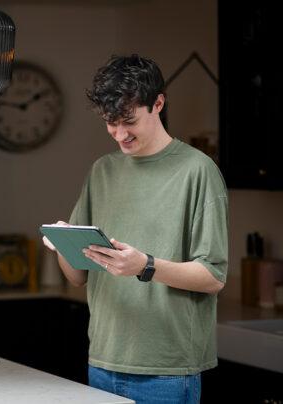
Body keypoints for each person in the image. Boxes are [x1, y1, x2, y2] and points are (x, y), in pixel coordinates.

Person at [43, 54, 228, 404]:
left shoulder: (197, 171)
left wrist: (145, 265)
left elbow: (213, 276)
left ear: (158, 103)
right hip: (102, 362)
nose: (120, 134)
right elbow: (78, 276)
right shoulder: (103, 171)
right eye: (110, 123)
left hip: (167, 371)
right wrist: (61, 243)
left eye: (128, 120)